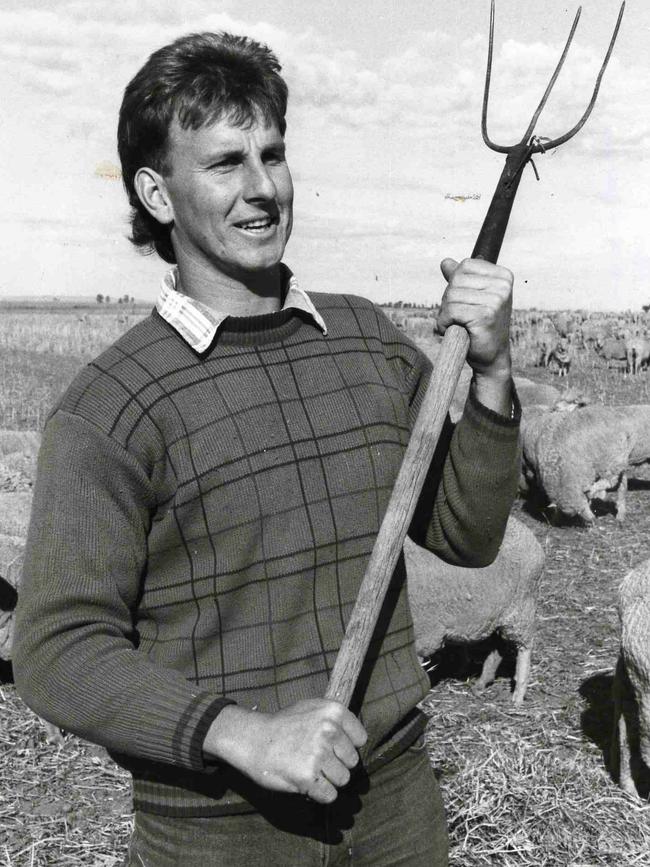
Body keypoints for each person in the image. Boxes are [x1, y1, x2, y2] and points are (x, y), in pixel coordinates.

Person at [14, 31, 521, 866]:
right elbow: (57, 648)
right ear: (157, 192)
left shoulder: (368, 341)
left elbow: (468, 535)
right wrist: (240, 733)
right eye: (224, 163)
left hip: (394, 805)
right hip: (215, 830)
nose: (262, 188)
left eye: (273, 154)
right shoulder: (113, 404)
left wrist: (496, 373)